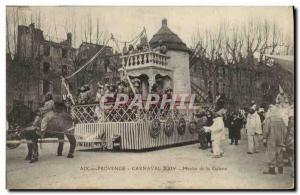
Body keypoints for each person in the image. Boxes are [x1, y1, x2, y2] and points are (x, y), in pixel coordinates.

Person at [262, 105, 287, 175]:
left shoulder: (269, 119)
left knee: (271, 152)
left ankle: (272, 169)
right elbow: (285, 130)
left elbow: (266, 130)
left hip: (271, 137)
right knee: (279, 152)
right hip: (280, 138)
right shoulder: (281, 119)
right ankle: (280, 168)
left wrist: (264, 138)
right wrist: (283, 139)